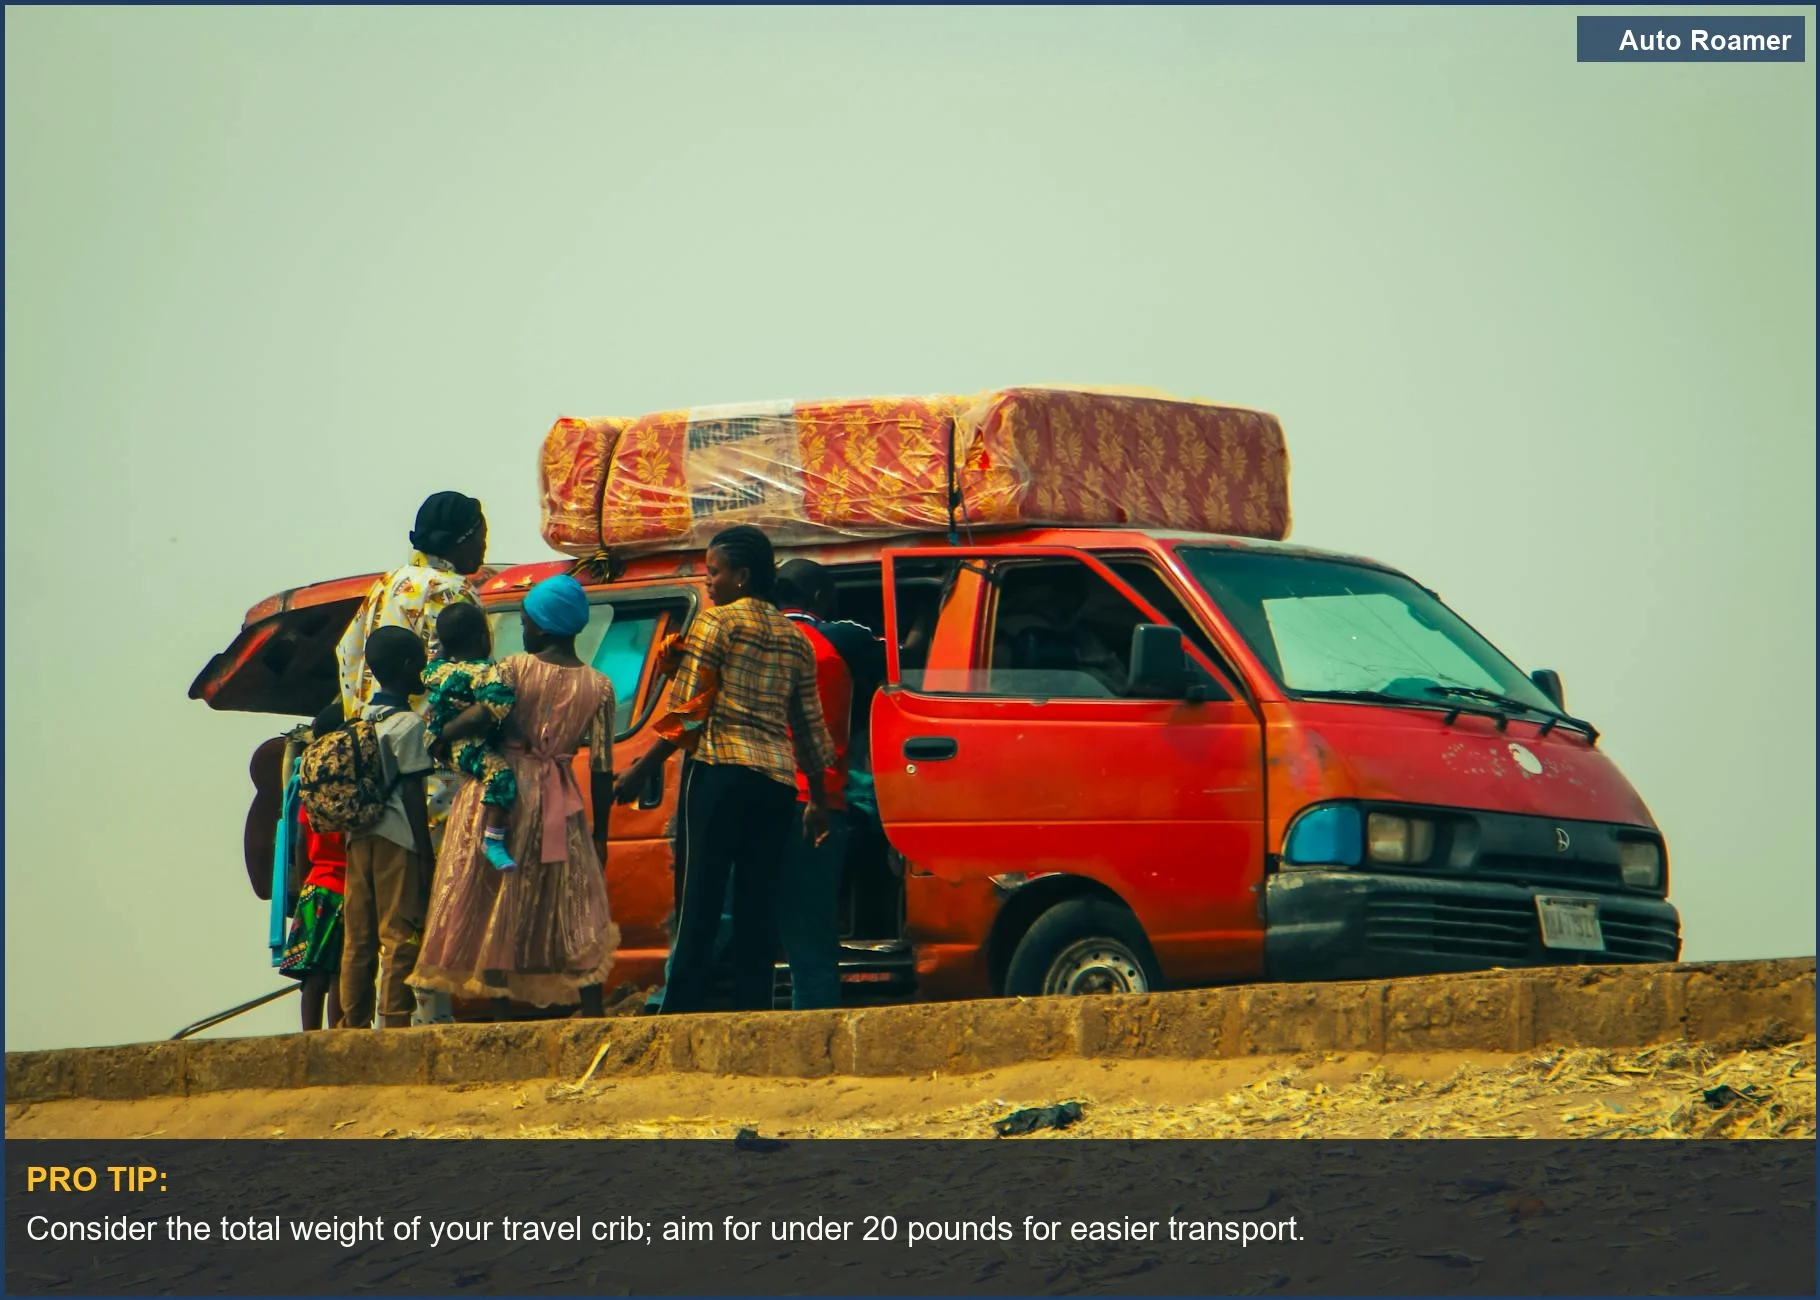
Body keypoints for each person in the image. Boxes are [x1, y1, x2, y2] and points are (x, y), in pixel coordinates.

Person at [613, 525, 837, 1015]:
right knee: (759, 909)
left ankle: (680, 1018)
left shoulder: (716, 625)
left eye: (714, 572)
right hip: (777, 784)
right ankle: (750, 1018)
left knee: (700, 905)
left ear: (742, 575)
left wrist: (640, 768)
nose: (708, 580)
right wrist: (817, 801)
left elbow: (690, 712)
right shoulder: (795, 639)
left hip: (718, 773)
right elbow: (810, 728)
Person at [407, 575, 620, 1014]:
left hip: (500, 794)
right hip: (562, 803)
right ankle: (593, 1009)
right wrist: (601, 834)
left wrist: (443, 732)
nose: (521, 630)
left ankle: (503, 1016)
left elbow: (485, 718)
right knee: (573, 901)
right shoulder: (599, 687)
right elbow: (602, 767)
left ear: (540, 628)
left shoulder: (512, 669)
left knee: (495, 898)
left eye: (524, 622)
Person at [334, 489, 489, 1023]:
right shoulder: (455, 592)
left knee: (371, 919)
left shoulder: (384, 586)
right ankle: (426, 1012)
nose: (486, 548)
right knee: (433, 894)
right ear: (464, 539)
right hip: (434, 771)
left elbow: (348, 654)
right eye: (482, 536)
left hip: (374, 769)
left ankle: (366, 1022)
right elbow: (469, 676)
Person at [772, 558, 883, 1011]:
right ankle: (812, 1044)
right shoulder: (841, 637)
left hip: (754, 800)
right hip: (818, 801)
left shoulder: (745, 638)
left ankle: (670, 1007)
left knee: (731, 928)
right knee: (812, 941)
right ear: (819, 600)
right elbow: (899, 659)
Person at [338, 627, 436, 1030]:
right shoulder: (409, 725)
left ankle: (352, 1022)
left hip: (357, 838)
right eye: (420, 666)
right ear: (408, 666)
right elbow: (413, 792)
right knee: (398, 933)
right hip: (397, 837)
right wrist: (425, 852)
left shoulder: (358, 721)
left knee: (358, 937)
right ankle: (395, 1020)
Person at [423, 602, 519, 873]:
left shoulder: (438, 671)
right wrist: (520, 736)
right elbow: (496, 706)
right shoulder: (485, 673)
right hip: (468, 746)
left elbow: (429, 667)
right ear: (483, 638)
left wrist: (442, 651)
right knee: (501, 778)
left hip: (437, 745)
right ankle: (493, 838)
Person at [278, 703, 353, 1030]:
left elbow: (299, 844)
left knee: (311, 974)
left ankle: (309, 1036)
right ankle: (337, 1034)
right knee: (339, 970)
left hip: (314, 886)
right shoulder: (352, 792)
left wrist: (307, 879)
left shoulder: (311, 793)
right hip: (344, 890)